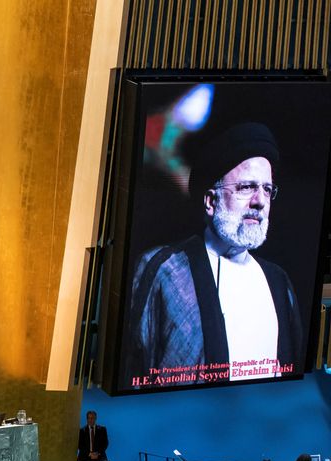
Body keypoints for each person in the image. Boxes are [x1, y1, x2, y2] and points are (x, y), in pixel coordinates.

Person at [124, 122, 302, 387]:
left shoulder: (278, 282)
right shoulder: (165, 269)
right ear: (210, 201)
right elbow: (133, 370)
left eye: (267, 189)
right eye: (246, 187)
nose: (260, 201)